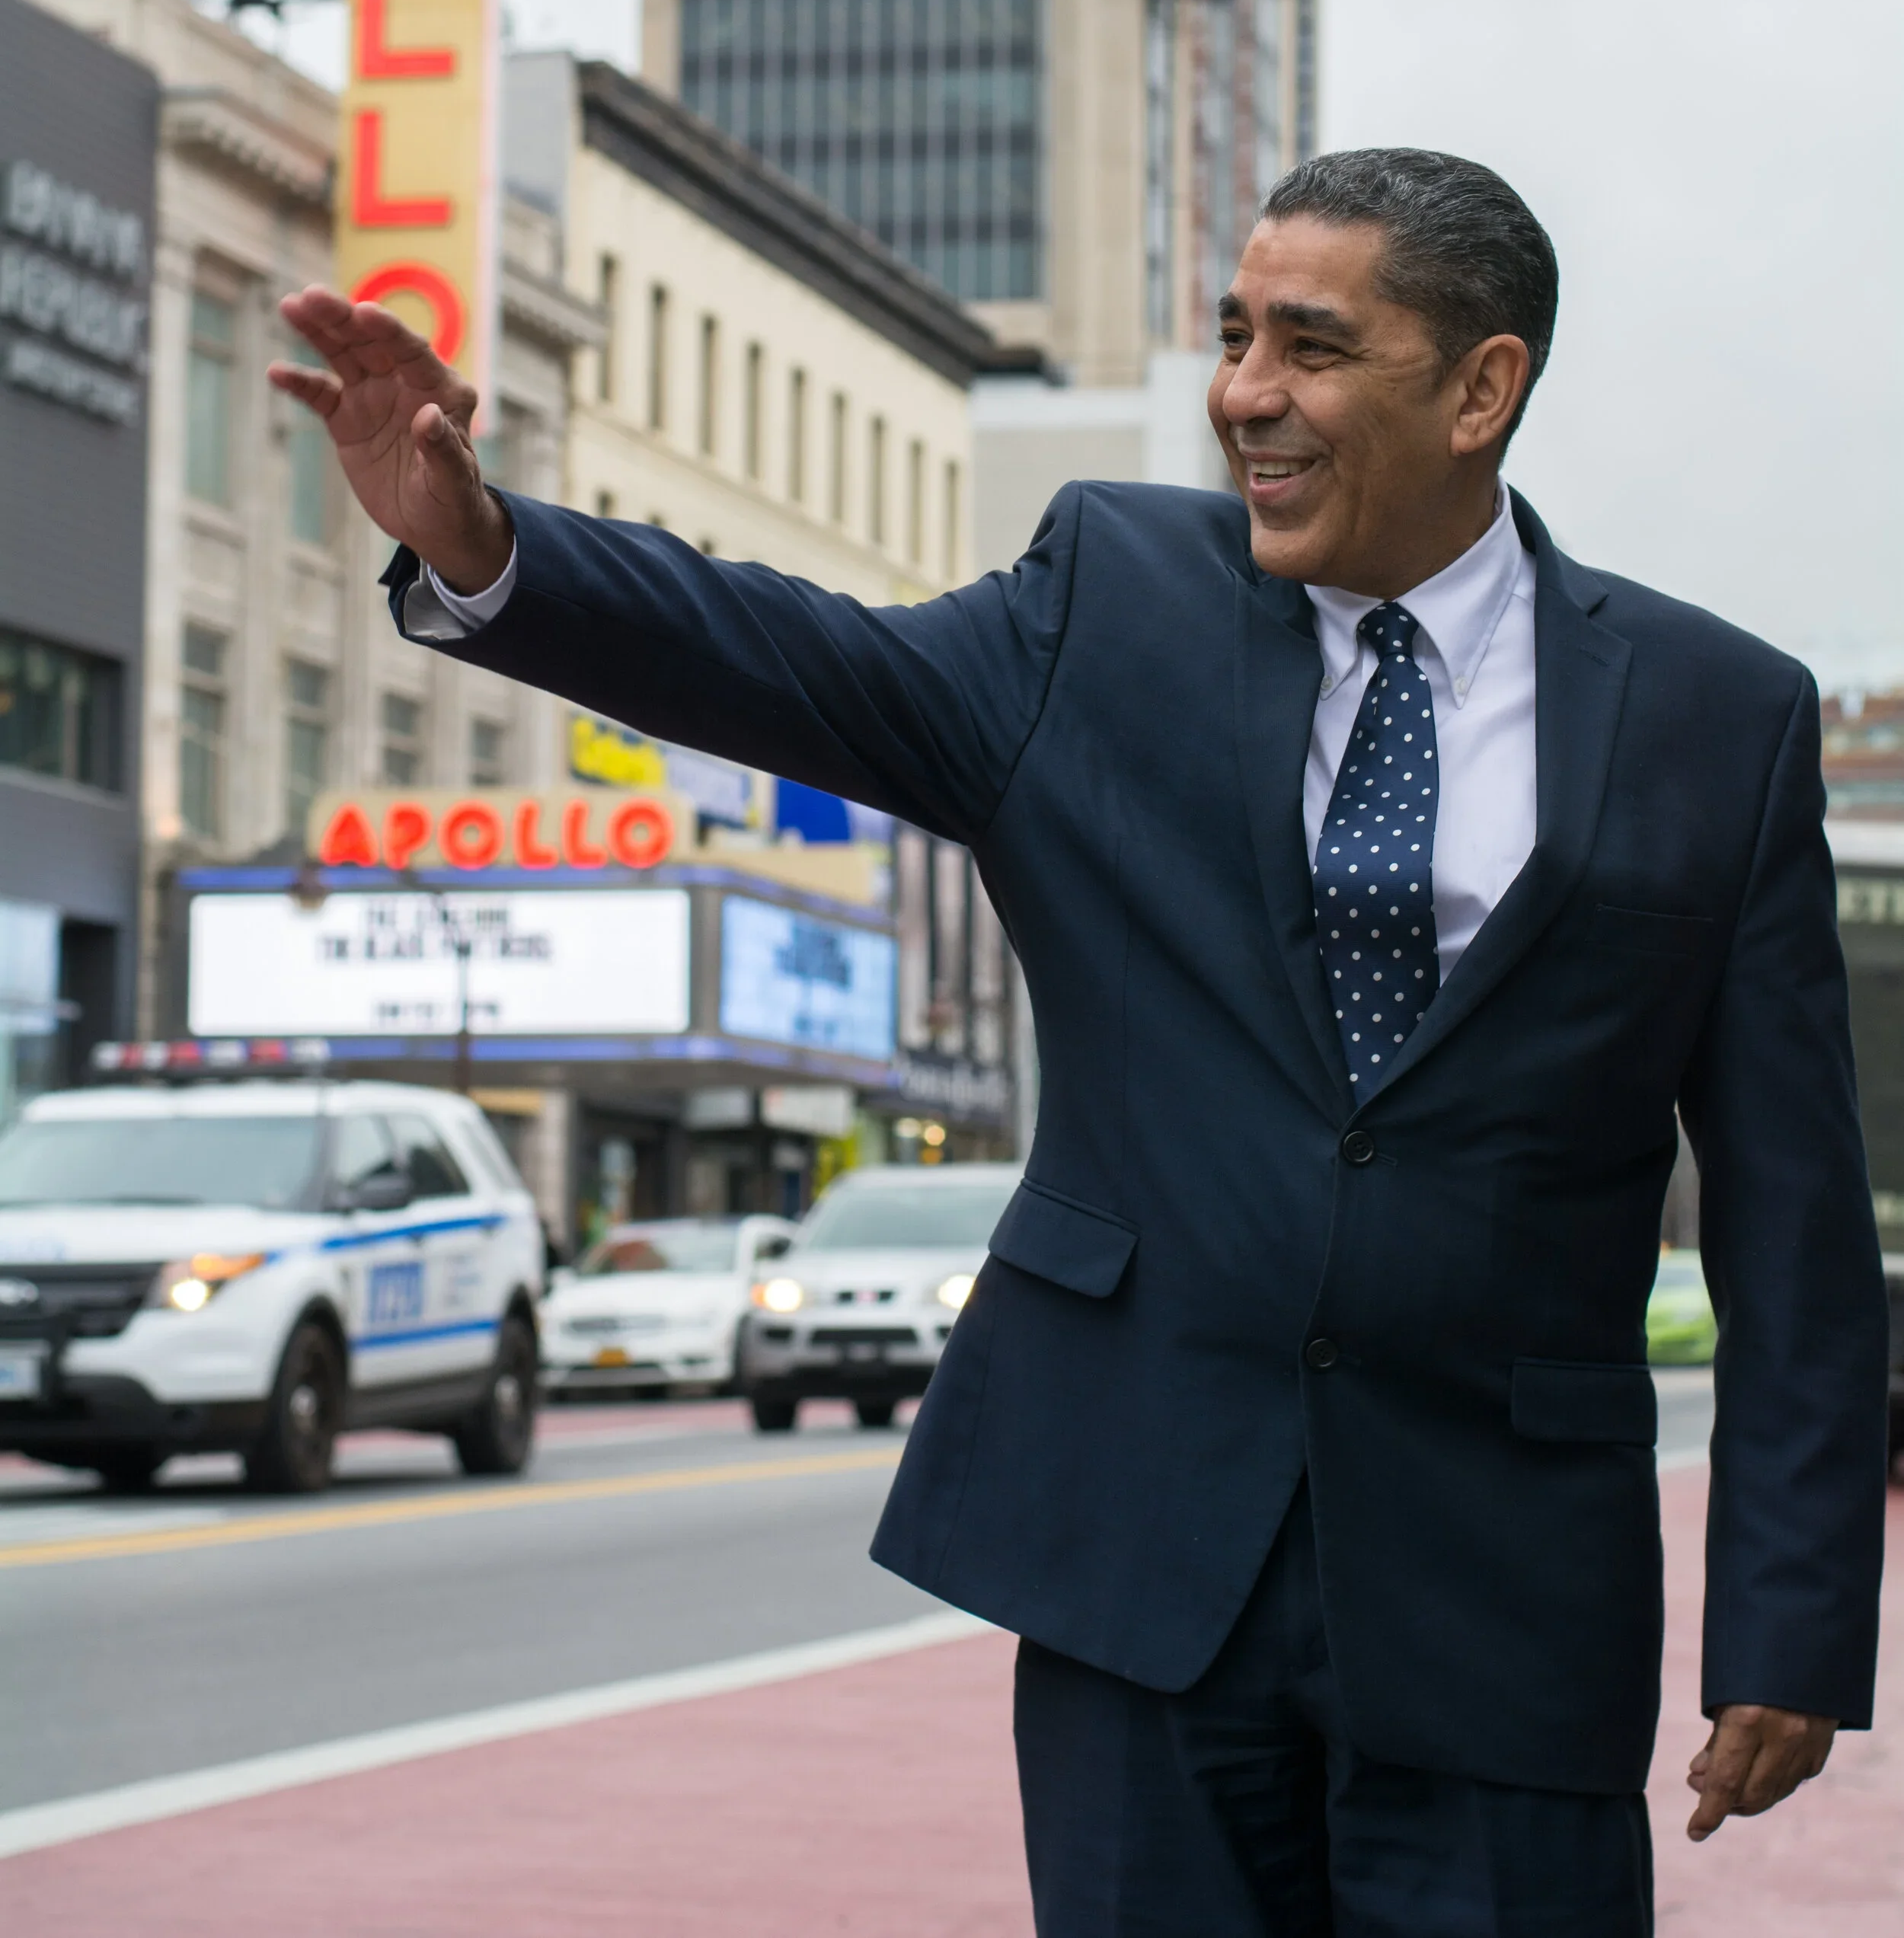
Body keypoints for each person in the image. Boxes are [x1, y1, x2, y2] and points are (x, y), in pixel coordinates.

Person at [273, 147, 1888, 1937]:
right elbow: (793, 658)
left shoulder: (1712, 717)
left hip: (1502, 1597)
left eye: (1309, 346)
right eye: (1230, 336)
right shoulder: (1106, 599)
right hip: (1139, 1558)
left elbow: (1792, 1228)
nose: (1242, 396)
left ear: (1479, 389)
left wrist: (1789, 1617)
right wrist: (485, 547)